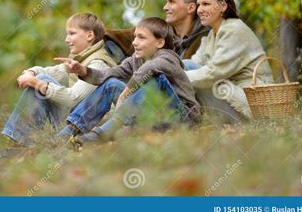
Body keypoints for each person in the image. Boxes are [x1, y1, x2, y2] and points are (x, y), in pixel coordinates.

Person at [56, 17, 201, 145]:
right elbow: (107, 74)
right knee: (111, 83)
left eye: (141, 38)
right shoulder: (135, 60)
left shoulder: (168, 57)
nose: (135, 42)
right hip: (155, 116)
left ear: (160, 42)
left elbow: (150, 69)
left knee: (155, 78)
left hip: (182, 117)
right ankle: (69, 132)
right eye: (135, 37)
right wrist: (82, 70)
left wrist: (126, 92)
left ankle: (103, 133)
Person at [2, 13, 116, 146]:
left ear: (89, 36)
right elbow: (53, 71)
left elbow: (72, 98)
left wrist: (36, 83)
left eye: (72, 33)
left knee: (40, 81)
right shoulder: (81, 58)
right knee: (41, 78)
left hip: (88, 127)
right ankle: (18, 139)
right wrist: (31, 72)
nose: (67, 39)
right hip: (76, 120)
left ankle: (19, 139)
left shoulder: (98, 63)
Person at [183, 0, 274, 122]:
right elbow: (193, 63)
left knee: (178, 71)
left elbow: (213, 73)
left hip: (250, 107)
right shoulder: (211, 36)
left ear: (223, 6)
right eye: (198, 5)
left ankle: (161, 119)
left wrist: (175, 74)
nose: (200, 10)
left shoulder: (234, 30)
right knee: (176, 68)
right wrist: (167, 67)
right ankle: (163, 117)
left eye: (206, 4)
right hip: (227, 95)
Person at [104, 0, 209, 60]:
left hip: (181, 86)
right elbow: (127, 35)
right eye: (166, 2)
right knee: (107, 44)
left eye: (171, 2)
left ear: (190, 8)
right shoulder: (164, 31)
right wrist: (99, 32)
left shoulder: (205, 36)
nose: (165, 7)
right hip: (150, 84)